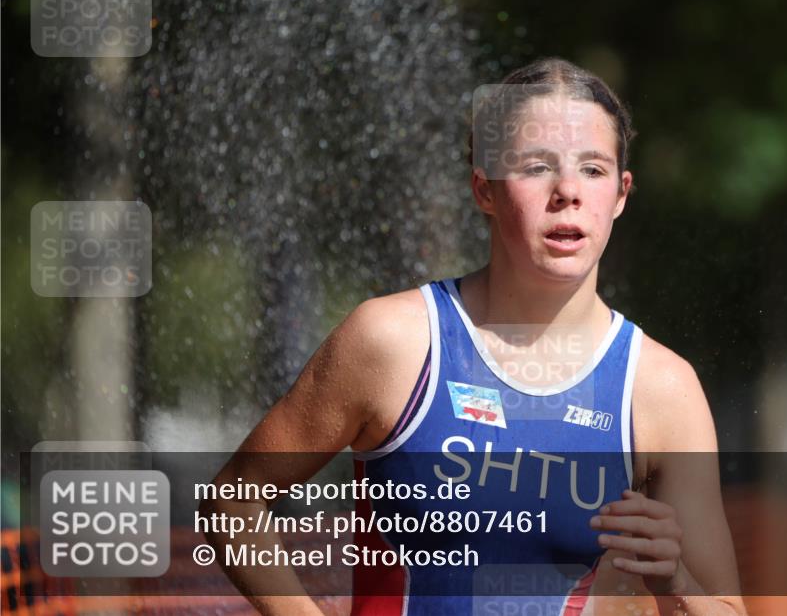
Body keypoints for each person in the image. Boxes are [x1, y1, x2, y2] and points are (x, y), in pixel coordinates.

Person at [201, 57, 747, 616]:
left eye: (592, 169)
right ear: (485, 189)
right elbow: (231, 503)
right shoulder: (394, 341)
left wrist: (675, 581)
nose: (567, 191)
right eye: (536, 166)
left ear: (622, 193)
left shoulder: (659, 389)